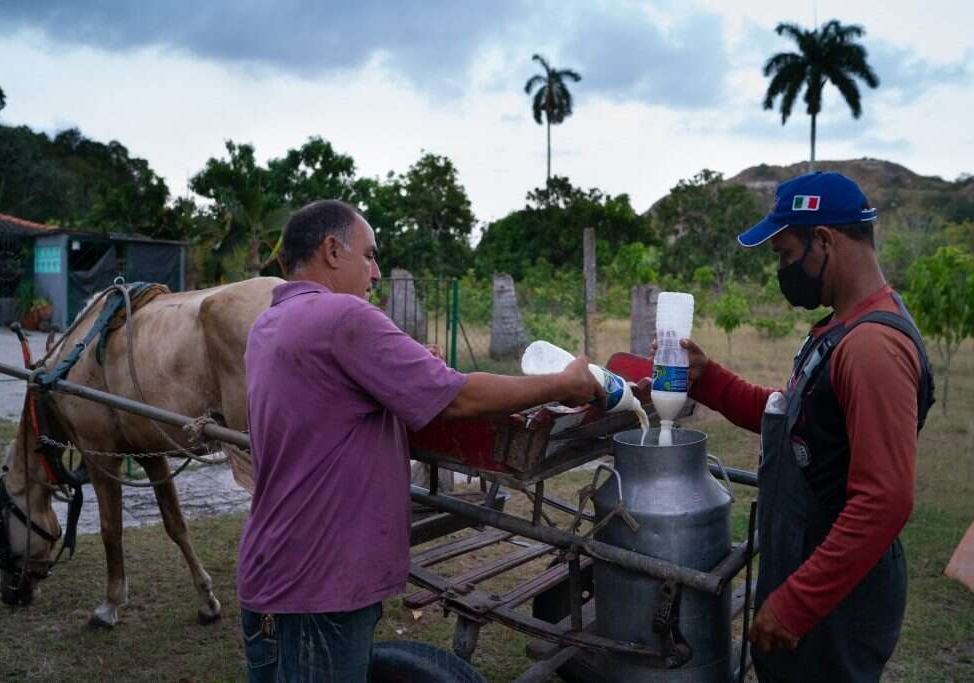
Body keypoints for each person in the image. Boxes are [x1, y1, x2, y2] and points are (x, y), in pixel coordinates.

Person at [237, 199, 604, 682]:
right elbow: (457, 399)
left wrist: (409, 372)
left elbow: (332, 406)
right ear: (331, 250)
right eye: (368, 255)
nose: (375, 272)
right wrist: (563, 384)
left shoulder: (270, 323)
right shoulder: (343, 316)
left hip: (274, 569)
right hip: (318, 583)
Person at [654, 172, 935, 681]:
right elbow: (795, 421)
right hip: (817, 580)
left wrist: (796, 605)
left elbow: (885, 501)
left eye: (785, 255)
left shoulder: (872, 348)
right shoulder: (840, 329)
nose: (782, 270)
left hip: (836, 606)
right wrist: (708, 380)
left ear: (824, 240)